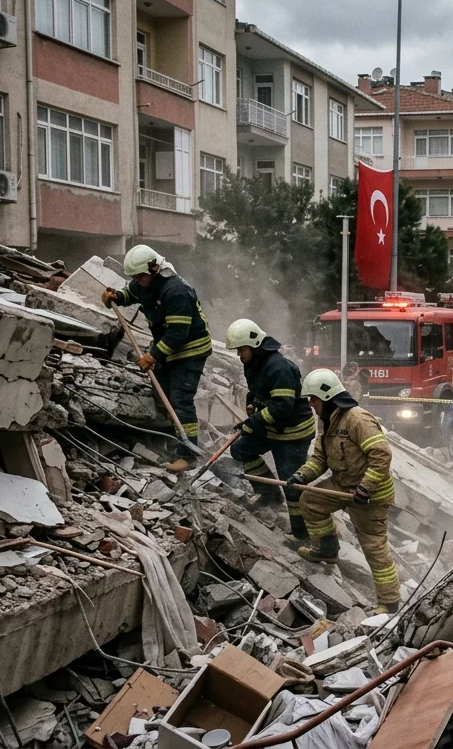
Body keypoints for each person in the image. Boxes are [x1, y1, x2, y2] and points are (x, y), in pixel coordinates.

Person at [289, 369, 400, 613]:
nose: (311, 404)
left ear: (325, 397)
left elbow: (381, 454)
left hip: (371, 494)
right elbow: (320, 459)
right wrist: (301, 475)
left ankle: (389, 602)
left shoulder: (357, 419)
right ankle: (326, 550)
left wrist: (365, 488)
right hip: (343, 484)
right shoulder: (327, 421)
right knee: (310, 500)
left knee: (373, 546)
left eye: (313, 399)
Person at [102, 245, 211, 473]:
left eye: (140, 276)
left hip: (190, 349)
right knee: (160, 393)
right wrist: (115, 296)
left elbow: (178, 333)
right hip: (168, 347)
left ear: (154, 269)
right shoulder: (145, 283)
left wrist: (152, 355)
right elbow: (130, 293)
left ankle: (188, 454)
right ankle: (174, 439)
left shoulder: (176, 290)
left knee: (180, 398)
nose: (138, 280)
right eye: (135, 277)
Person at [226, 319, 318, 546]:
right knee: (240, 449)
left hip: (293, 432)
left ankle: (302, 534)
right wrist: (254, 403)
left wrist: (253, 422)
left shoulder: (279, 368)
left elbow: (282, 406)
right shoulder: (255, 363)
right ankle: (268, 494)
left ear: (255, 345)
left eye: (242, 349)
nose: (239, 354)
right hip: (273, 427)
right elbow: (261, 392)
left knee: (292, 483)